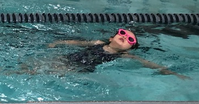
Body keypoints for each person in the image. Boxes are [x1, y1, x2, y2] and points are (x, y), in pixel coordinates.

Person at [44, 28, 190, 79]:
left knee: (53, 71)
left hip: (81, 68)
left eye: (130, 39)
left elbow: (147, 63)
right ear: (111, 38)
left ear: (129, 49)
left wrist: (169, 71)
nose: (125, 36)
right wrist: (58, 43)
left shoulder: (124, 55)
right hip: (70, 58)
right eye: (122, 33)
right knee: (42, 64)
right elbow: (76, 43)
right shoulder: (98, 43)